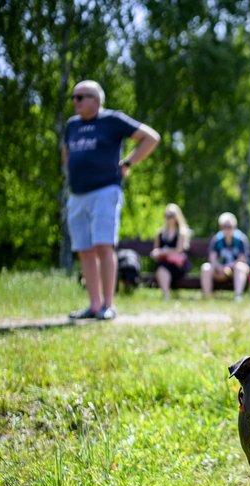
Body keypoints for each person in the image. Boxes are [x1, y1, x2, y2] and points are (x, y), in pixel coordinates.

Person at [63, 79, 160, 320]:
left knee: (103, 246)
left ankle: (108, 305)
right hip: (77, 194)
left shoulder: (112, 120)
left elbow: (151, 137)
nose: (75, 102)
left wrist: (127, 163)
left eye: (80, 97)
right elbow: (66, 153)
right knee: (84, 250)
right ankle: (94, 305)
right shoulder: (72, 125)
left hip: (105, 191)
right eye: (73, 97)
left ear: (96, 100)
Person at [201, 212, 250, 301]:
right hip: (219, 271)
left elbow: (242, 258)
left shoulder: (241, 239)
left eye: (230, 226)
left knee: (240, 267)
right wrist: (219, 267)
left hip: (235, 270)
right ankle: (207, 298)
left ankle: (238, 297)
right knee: (205, 267)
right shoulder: (217, 239)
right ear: (221, 227)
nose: (227, 229)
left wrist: (229, 266)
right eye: (225, 226)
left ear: (235, 226)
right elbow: (212, 258)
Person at [151, 203, 192, 299]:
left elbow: (179, 250)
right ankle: (166, 295)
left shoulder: (181, 232)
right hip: (163, 263)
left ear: (177, 216)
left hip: (177, 265)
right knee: (162, 267)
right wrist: (158, 253)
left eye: (171, 215)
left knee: (162, 268)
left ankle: (166, 295)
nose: (169, 218)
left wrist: (164, 251)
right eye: (167, 215)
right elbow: (155, 250)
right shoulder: (160, 233)